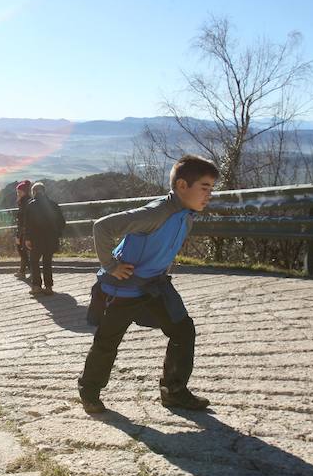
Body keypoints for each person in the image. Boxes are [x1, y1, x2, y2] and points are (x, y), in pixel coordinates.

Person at [77, 155, 219, 413]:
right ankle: (89, 392)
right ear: (182, 186)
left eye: (211, 189)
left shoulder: (186, 216)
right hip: (124, 289)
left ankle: (173, 391)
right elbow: (102, 227)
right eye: (205, 187)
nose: (209, 195)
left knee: (183, 331)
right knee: (108, 341)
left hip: (154, 287)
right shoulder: (156, 212)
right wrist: (111, 266)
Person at [24, 182, 66, 296]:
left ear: (34, 192)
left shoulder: (31, 205)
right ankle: (48, 287)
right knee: (47, 262)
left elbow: (27, 224)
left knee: (34, 261)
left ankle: (36, 286)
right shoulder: (53, 204)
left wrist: (27, 238)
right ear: (44, 191)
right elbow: (62, 223)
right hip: (51, 238)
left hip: (35, 239)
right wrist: (57, 234)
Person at [13, 180, 32, 279]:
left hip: (24, 231)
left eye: (19, 192)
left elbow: (22, 220)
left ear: (24, 192)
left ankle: (29, 270)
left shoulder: (25, 203)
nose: (18, 193)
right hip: (26, 231)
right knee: (23, 251)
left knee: (22, 251)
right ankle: (24, 271)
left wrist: (18, 234)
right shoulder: (26, 201)